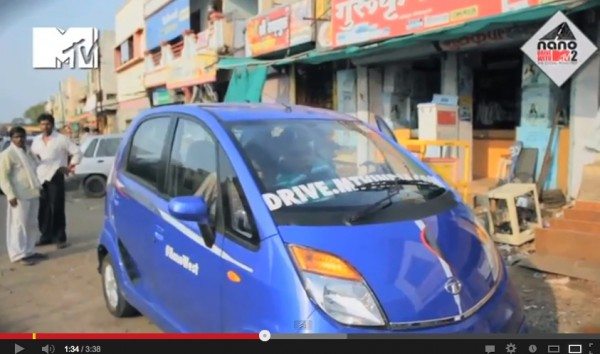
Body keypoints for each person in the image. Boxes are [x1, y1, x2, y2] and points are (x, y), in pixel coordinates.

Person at [30, 114, 82, 249]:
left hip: (56, 175)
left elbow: (77, 152)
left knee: (57, 207)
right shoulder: (36, 140)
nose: (45, 127)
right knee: (43, 208)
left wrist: (70, 166)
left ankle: (60, 237)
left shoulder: (61, 139)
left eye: (47, 124)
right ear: (39, 125)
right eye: (42, 124)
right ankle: (45, 236)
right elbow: (32, 156)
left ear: (52, 125)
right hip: (40, 177)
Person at [0, 126, 48, 265]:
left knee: (32, 223)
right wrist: (10, 195)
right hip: (19, 195)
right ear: (11, 138)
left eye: (22, 136)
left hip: (32, 192)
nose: (20, 139)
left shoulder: (27, 152)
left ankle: (29, 251)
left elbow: (34, 170)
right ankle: (18, 254)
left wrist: (39, 187)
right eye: (16, 137)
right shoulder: (7, 154)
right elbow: (3, 177)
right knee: (19, 225)